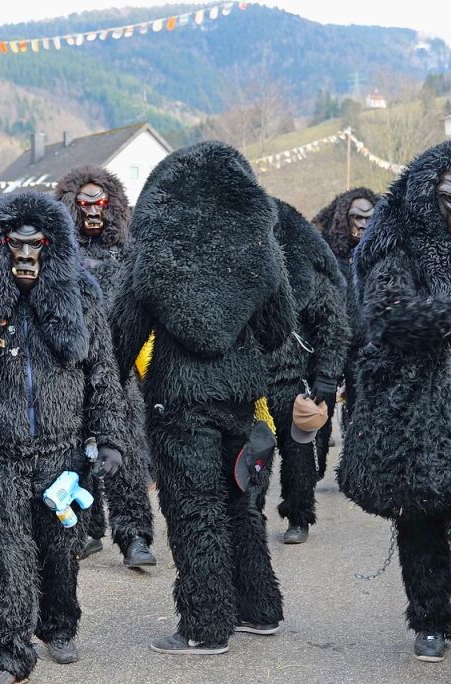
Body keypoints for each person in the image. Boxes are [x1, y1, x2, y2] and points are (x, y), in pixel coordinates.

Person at [338, 139, 451, 684]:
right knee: (421, 519)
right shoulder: (396, 239)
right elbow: (384, 313)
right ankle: (432, 618)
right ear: (430, 200)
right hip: (417, 406)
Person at [111, 142, 296, 655]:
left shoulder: (156, 254)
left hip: (178, 398)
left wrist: (104, 399)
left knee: (194, 509)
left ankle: (204, 625)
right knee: (241, 503)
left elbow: (121, 334)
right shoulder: (259, 254)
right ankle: (257, 609)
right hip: (239, 397)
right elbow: (278, 328)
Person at [0, 191, 126, 684]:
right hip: (1, 452)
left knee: (60, 547)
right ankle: (5, 653)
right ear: (1, 247)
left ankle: (60, 623)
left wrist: (109, 438)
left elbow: (103, 375)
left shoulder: (81, 298)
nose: (26, 258)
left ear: (51, 247)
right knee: (4, 552)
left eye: (36, 247)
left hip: (63, 452)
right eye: (15, 247)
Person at [55, 165, 156, 567]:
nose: (92, 212)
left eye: (100, 204)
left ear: (112, 206)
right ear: (71, 207)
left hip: (119, 368)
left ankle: (134, 535)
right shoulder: (57, 256)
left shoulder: (129, 254)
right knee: (71, 452)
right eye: (84, 205)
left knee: (124, 451)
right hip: (69, 370)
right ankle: (83, 527)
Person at [255, 199, 348, 544]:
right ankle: (250, 515)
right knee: (253, 456)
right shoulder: (245, 277)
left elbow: (333, 328)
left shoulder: (310, 277)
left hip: (298, 383)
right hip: (256, 383)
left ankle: (298, 515)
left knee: (300, 459)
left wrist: (325, 377)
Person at [312, 187, 378, 428]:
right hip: (330, 342)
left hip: (366, 344)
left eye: (368, 218)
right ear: (344, 218)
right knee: (317, 414)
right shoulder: (325, 248)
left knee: (363, 416)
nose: (362, 224)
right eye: (357, 218)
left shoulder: (380, 253)